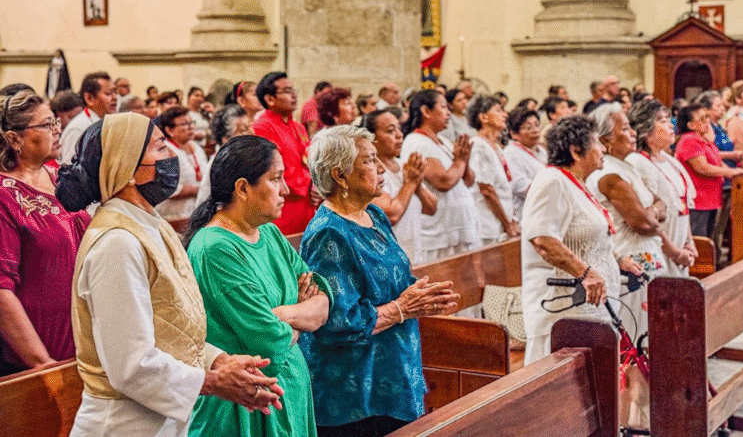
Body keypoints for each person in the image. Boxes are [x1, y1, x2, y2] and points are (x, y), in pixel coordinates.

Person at [56, 112, 283, 436]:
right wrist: (213, 382)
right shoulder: (117, 244)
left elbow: (168, 330)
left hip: (158, 421)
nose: (171, 156)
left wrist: (218, 360)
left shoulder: (151, 227)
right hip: (122, 425)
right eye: (160, 147)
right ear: (128, 168)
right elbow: (130, 365)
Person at [299, 125, 460, 436]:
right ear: (340, 176)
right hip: (354, 391)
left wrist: (424, 297)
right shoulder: (328, 233)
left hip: (394, 371)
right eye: (369, 160)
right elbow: (336, 323)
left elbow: (392, 278)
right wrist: (401, 308)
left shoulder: (373, 215)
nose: (381, 166)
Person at [184, 136, 333, 437]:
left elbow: (323, 301)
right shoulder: (215, 248)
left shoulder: (270, 233)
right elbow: (268, 343)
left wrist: (280, 315)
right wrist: (299, 318)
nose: (286, 190)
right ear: (242, 188)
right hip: (243, 403)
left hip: (289, 388)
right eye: (276, 179)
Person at [522, 115, 636, 365]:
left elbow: (586, 235)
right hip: (563, 309)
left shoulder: (578, 183)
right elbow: (542, 239)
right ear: (576, 151)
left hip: (591, 306)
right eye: (597, 142)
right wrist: (584, 272)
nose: (604, 148)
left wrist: (617, 260)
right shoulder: (551, 181)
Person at [0, 90, 90, 376]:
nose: (57, 130)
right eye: (46, 125)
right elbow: (2, 289)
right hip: (39, 359)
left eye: (56, 122)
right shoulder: (5, 195)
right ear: (14, 139)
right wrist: (42, 364)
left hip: (84, 345)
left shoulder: (59, 175)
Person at [585, 102, 665, 338]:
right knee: (637, 331)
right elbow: (644, 224)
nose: (633, 133)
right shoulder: (608, 174)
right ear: (606, 139)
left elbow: (663, 206)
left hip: (648, 254)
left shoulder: (627, 166)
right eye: (626, 128)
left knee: (653, 331)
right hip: (632, 259)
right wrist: (653, 212)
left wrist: (652, 210)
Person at [400, 90, 479, 262]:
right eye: (443, 107)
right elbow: (444, 181)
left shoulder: (444, 141)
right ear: (426, 111)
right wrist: (460, 160)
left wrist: (464, 160)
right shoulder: (417, 142)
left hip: (459, 229)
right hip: (438, 235)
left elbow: (468, 180)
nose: (448, 112)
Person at [626, 100, 697, 277]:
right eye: (663, 121)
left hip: (679, 244)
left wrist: (689, 241)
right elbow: (644, 217)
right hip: (657, 248)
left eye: (669, 119)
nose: (671, 125)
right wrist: (674, 252)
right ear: (645, 130)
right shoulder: (637, 163)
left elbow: (682, 206)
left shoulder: (669, 160)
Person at [363, 109, 437, 263]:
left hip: (415, 254)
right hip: (389, 259)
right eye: (390, 131)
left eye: (399, 128)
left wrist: (416, 184)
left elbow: (431, 208)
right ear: (372, 139)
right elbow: (391, 215)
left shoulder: (405, 166)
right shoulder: (370, 172)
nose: (399, 135)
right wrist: (410, 183)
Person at [253, 72, 318, 235]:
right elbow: (273, 170)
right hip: (283, 208)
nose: (294, 95)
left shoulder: (298, 127)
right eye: (287, 91)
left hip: (308, 205)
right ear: (270, 99)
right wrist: (310, 184)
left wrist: (318, 184)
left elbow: (311, 160)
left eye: (293, 90)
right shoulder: (262, 127)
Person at [675, 104, 743, 237]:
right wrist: (731, 172)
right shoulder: (689, 140)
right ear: (691, 125)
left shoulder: (703, 140)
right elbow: (702, 168)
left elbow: (717, 160)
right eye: (703, 118)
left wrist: (735, 173)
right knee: (700, 239)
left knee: (710, 238)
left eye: (707, 117)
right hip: (698, 200)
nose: (708, 121)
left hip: (710, 198)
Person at [467, 95, 518, 244]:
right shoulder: (478, 145)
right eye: (498, 110)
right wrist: (507, 223)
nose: (505, 115)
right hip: (487, 225)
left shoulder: (496, 147)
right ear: (483, 117)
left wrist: (512, 219)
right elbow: (486, 189)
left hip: (501, 223)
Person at [154, 106, 208, 223]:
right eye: (184, 124)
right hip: (173, 217)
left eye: (191, 123)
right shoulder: (166, 150)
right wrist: (201, 189)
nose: (191, 127)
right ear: (169, 130)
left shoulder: (196, 147)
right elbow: (169, 189)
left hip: (196, 214)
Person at [195, 105, 254, 207]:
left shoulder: (245, 158)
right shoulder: (221, 164)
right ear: (226, 138)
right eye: (244, 130)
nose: (252, 133)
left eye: (250, 127)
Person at [59, 71, 116, 164]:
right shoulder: (78, 128)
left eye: (115, 92)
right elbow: (70, 168)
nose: (115, 97)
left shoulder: (107, 123)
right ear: (89, 98)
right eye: (108, 93)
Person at [504, 108, 547, 221]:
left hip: (545, 208)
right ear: (514, 134)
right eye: (528, 128)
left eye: (537, 125)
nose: (535, 130)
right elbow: (519, 185)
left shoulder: (541, 151)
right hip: (525, 212)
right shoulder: (511, 153)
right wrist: (550, 189)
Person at [693, 90, 742, 168]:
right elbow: (706, 154)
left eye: (722, 105)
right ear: (706, 110)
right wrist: (731, 155)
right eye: (718, 106)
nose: (723, 108)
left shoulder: (719, 126)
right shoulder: (705, 129)